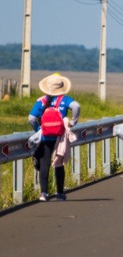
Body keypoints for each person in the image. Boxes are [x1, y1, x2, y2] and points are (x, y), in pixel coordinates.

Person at [28, 73, 80, 202]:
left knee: (44, 163)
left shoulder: (41, 100)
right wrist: (73, 122)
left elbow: (31, 118)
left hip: (46, 137)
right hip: (60, 137)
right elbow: (76, 106)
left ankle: (44, 193)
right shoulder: (65, 100)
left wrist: (39, 130)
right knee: (59, 163)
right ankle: (60, 194)